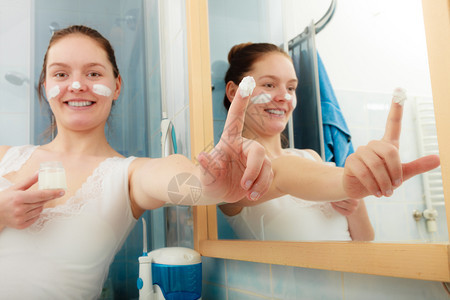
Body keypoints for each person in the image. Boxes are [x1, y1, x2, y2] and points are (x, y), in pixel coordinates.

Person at [0, 26, 273, 299]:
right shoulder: (4, 157)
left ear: (117, 86)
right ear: (46, 86)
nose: (76, 85)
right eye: (61, 74)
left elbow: (178, 177)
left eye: (93, 73)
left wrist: (209, 185)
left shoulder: (129, 175)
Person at [218, 42, 440, 241]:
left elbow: (365, 241)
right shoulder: (230, 169)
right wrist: (344, 182)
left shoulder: (310, 157)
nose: (284, 97)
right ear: (234, 92)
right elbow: (281, 173)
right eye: (268, 85)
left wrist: (354, 197)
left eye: (291, 88)